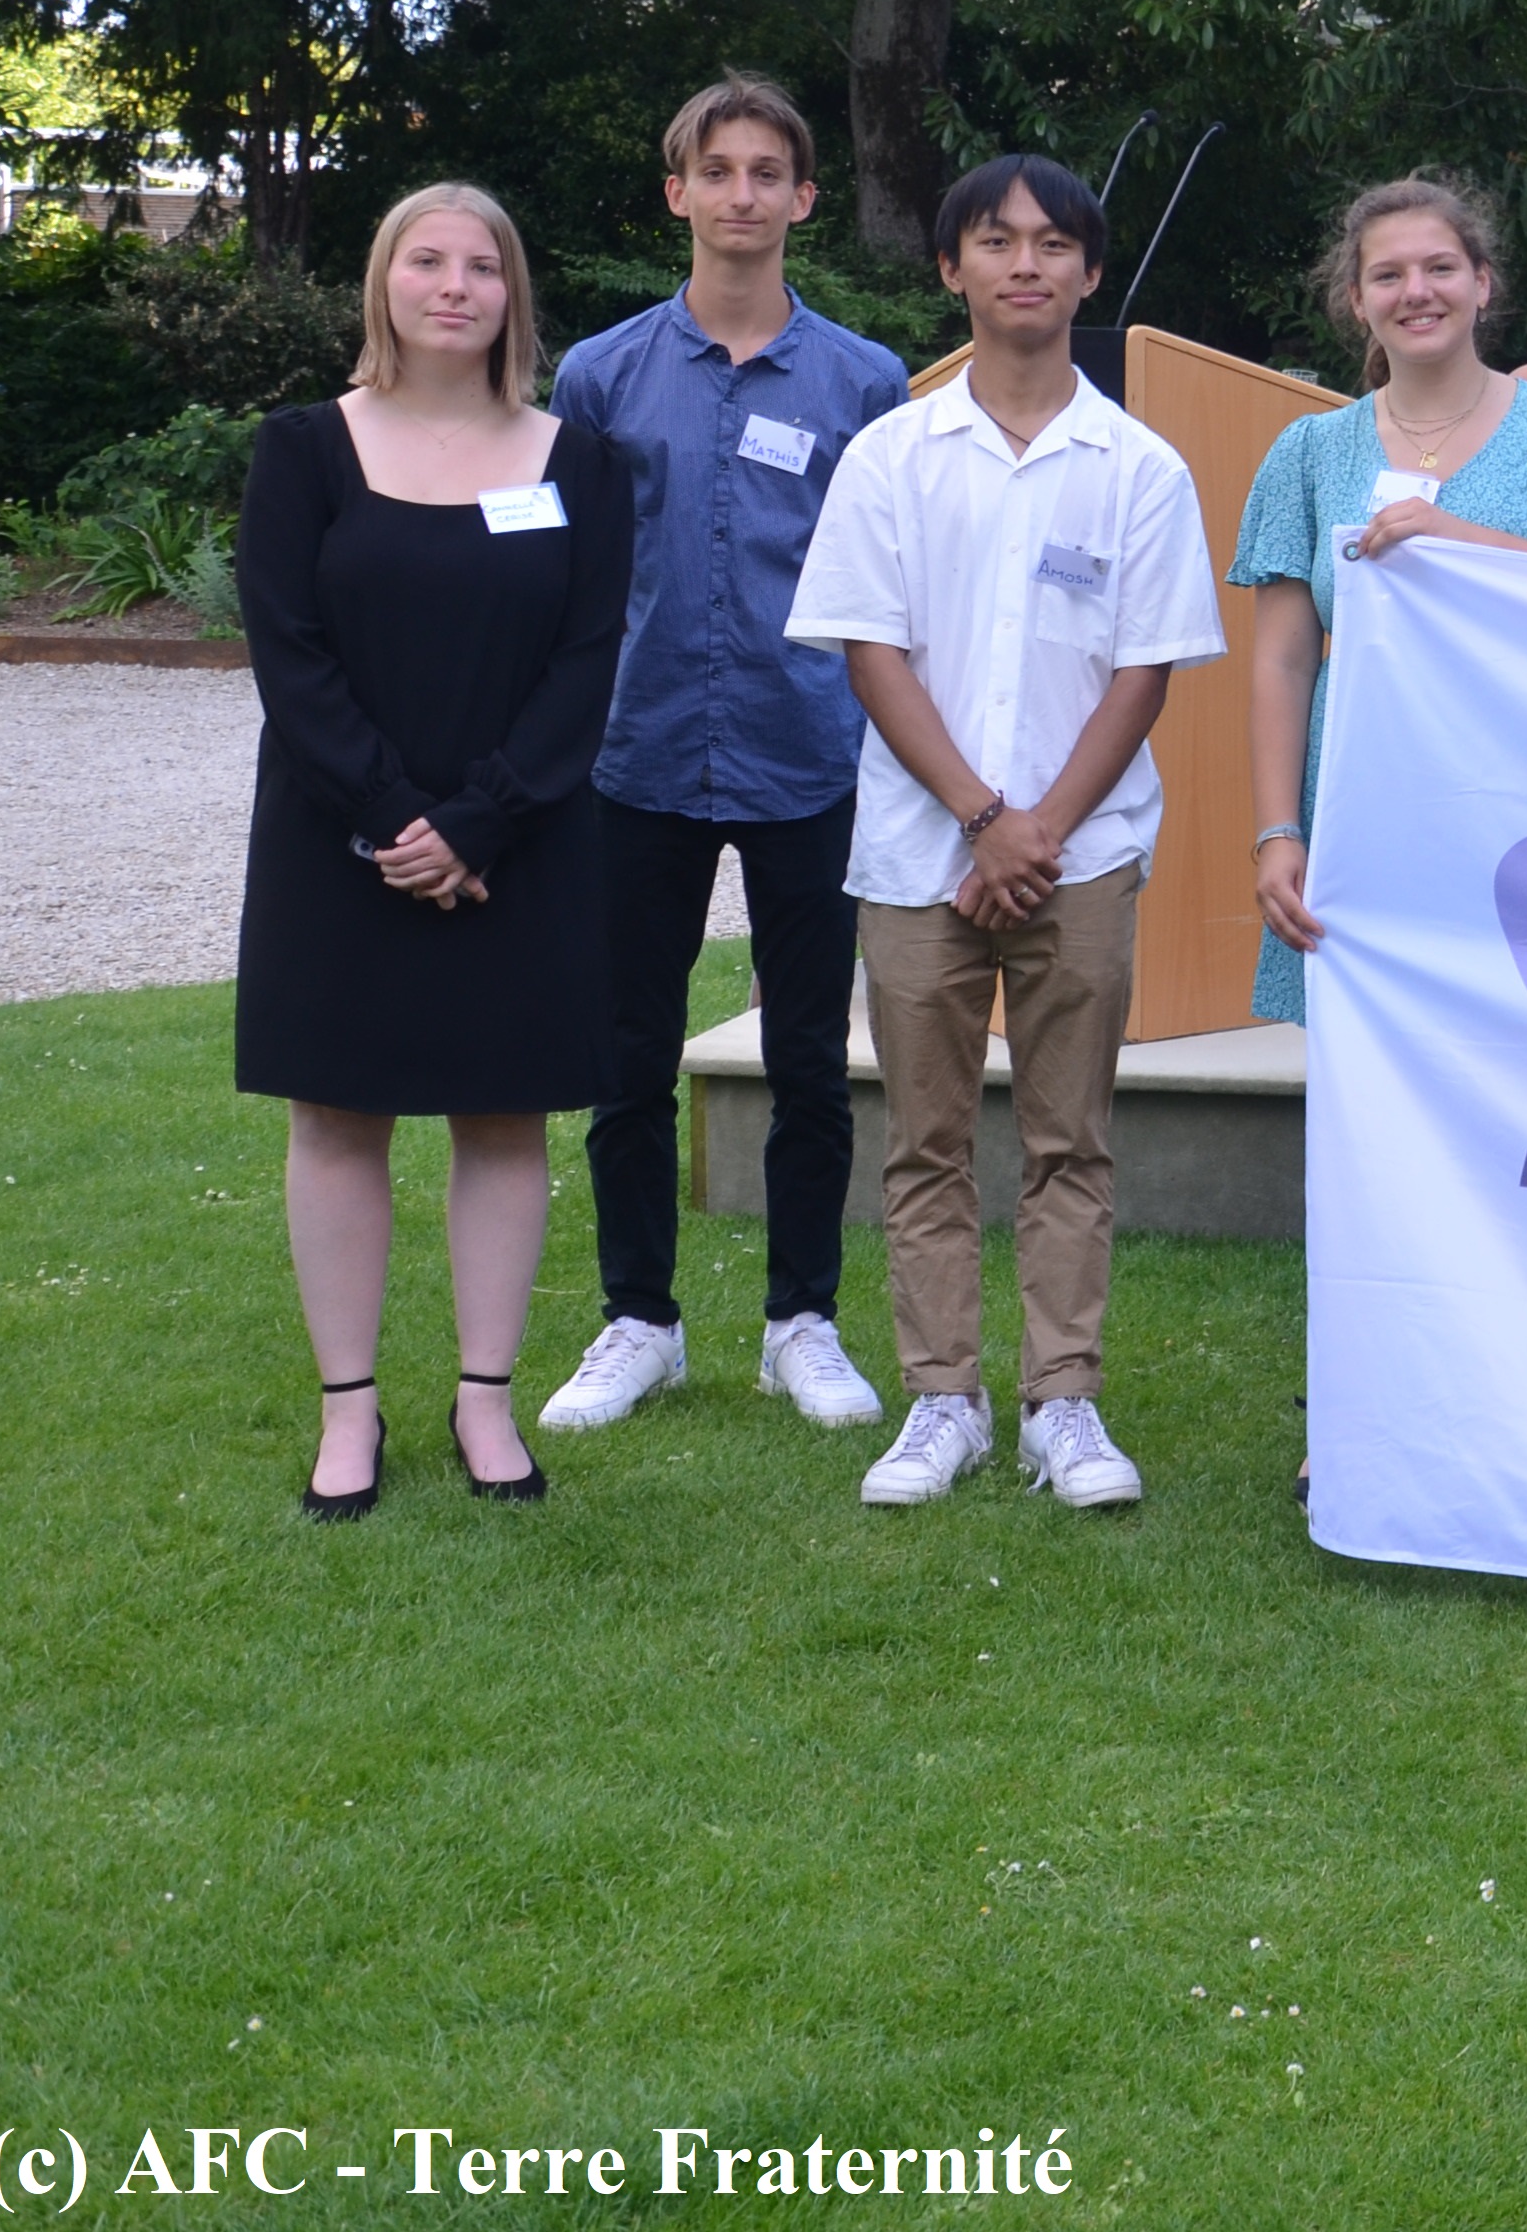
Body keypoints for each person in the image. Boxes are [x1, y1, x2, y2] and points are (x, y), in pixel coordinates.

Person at [785, 155, 1226, 1512]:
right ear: (951, 270)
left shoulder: (1140, 467)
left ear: (1091, 275)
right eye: (995, 241)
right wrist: (983, 819)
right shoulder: (891, 453)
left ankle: (1064, 1406)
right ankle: (941, 1402)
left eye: (1052, 245)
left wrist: (1037, 831)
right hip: (922, 858)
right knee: (923, 1138)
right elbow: (871, 652)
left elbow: (1145, 673)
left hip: (1079, 858)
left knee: (1068, 1140)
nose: (1024, 264)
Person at [241, 183, 631, 1515]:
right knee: (338, 1115)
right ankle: (348, 1415)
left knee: (503, 1116)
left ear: (513, 294)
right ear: (384, 281)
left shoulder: (578, 462)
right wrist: (391, 822)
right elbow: (289, 656)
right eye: (429, 260)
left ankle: (485, 1402)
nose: (455, 285)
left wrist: (478, 822)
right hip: (336, 843)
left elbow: (588, 663)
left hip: (517, 847)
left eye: (484, 265)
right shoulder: (303, 451)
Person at [534, 81, 911, 1442]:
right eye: (718, 170)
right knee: (626, 1053)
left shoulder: (866, 382)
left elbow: (891, 582)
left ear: (804, 199)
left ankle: (799, 1323)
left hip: (813, 754)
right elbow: (563, 576)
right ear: (676, 193)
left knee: (811, 1055)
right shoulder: (600, 374)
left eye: (770, 173)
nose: (744, 194)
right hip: (633, 758)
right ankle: (640, 1320)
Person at [1237, 177, 1527, 1027]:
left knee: (1522, 1053)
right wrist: (1280, 832)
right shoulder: (1308, 452)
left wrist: (1456, 538)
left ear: (1482, 283)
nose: (1417, 292)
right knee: (1372, 1069)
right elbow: (1282, 664)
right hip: (1363, 805)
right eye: (1388, 276)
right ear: (1357, 301)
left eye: (1439, 267)